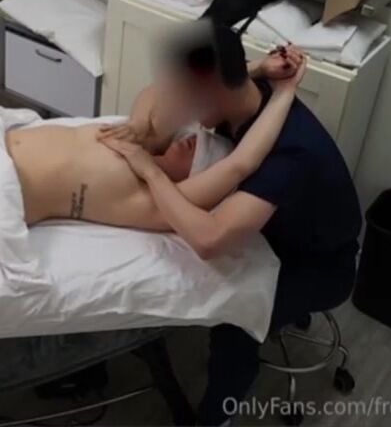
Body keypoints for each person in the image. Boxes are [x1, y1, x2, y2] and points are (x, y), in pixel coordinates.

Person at [103, 23, 362, 425]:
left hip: (318, 266)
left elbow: (210, 240)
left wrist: (150, 173)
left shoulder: (290, 153)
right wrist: (139, 127)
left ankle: (217, 415)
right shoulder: (242, 97)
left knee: (233, 323)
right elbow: (155, 95)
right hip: (277, 228)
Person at [8, 49, 305, 231]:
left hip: (4, 187)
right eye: (198, 139)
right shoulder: (145, 142)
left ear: (200, 177)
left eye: (203, 153)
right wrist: (258, 68)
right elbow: (173, 88)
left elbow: (240, 164)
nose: (194, 141)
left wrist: (285, 93)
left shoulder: (151, 201)